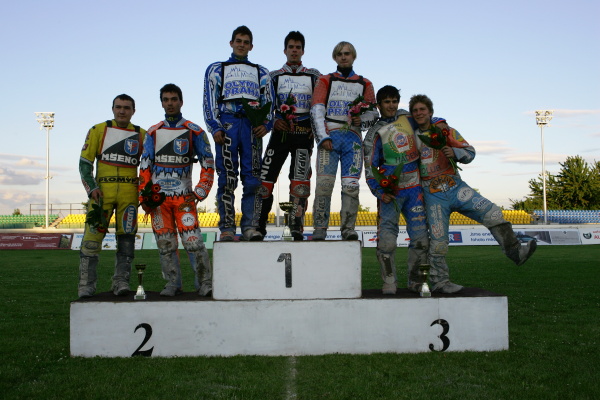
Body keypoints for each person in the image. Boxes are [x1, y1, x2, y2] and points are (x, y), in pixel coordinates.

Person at [410, 94, 537, 293]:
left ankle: (516, 252)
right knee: (439, 241)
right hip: (432, 194)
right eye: (415, 110)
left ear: (430, 112)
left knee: (493, 213)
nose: (419, 113)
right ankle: (440, 282)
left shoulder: (446, 130)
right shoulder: (412, 138)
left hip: (456, 187)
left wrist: (456, 153)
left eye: (422, 109)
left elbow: (470, 152)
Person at [139, 83, 215, 296]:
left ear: (181, 102)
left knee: (193, 241)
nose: (170, 103)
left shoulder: (195, 131)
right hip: (158, 200)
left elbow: (208, 161)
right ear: (161, 103)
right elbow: (145, 166)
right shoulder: (153, 132)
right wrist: (145, 196)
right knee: (165, 243)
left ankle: (204, 283)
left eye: (174, 99)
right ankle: (173, 283)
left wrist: (200, 191)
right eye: (166, 100)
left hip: (184, 199)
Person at [203, 25, 274, 242]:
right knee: (227, 177)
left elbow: (270, 103)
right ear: (231, 43)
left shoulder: (262, 72)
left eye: (246, 42)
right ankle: (227, 227)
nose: (242, 45)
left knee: (253, 178)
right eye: (238, 41)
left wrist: (267, 125)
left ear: (251, 46)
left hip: (252, 128)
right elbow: (209, 100)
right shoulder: (216, 69)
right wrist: (215, 127)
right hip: (228, 125)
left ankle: (250, 226)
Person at [363, 85, 430, 294]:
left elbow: (428, 123)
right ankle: (389, 281)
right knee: (387, 242)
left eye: (394, 101)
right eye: (387, 102)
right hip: (390, 193)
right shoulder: (374, 133)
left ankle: (416, 281)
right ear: (379, 105)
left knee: (420, 240)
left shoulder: (407, 118)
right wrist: (379, 191)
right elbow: (369, 167)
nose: (391, 106)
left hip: (414, 190)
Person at [78, 94, 146, 298]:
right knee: (91, 241)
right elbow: (85, 163)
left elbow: (149, 166)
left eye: (126, 107)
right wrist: (91, 188)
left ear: (133, 111)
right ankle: (86, 285)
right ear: (113, 109)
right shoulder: (98, 130)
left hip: (129, 196)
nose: (122, 111)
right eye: (118, 107)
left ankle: (121, 282)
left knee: (127, 240)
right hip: (102, 195)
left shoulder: (142, 134)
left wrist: (144, 191)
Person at [310, 41, 378, 240]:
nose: (343, 57)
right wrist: (322, 137)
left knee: (351, 186)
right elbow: (316, 110)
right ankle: (319, 228)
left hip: (353, 140)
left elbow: (373, 113)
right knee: (323, 185)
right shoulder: (325, 80)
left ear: (353, 56)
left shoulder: (365, 84)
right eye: (339, 54)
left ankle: (348, 229)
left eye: (347, 53)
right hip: (330, 137)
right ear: (335, 57)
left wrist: (361, 120)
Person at [257, 31, 321, 240]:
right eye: (291, 47)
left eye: (298, 47)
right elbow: (265, 104)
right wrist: (274, 121)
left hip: (303, 134)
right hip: (280, 132)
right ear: (284, 50)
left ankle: (295, 226)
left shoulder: (314, 75)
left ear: (303, 51)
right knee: (265, 178)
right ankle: (259, 225)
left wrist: (314, 126)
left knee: (299, 181)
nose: (294, 51)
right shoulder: (273, 76)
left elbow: (320, 105)